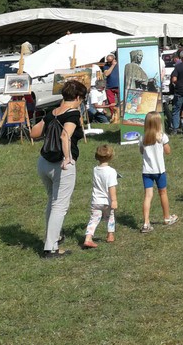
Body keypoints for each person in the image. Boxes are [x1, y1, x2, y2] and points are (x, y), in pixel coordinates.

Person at [31, 79, 88, 258]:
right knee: (60, 205)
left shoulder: (52, 112)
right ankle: (51, 247)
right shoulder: (71, 115)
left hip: (44, 162)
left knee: (52, 200)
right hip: (60, 165)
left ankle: (54, 236)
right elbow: (65, 136)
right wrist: (68, 159)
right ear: (78, 97)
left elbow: (34, 133)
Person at [139, 112, 177, 232]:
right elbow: (168, 151)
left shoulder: (142, 138)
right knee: (163, 193)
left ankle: (146, 223)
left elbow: (141, 151)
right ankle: (167, 218)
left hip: (147, 171)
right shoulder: (162, 137)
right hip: (159, 171)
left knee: (148, 196)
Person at [82, 143, 118, 249]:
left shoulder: (95, 169)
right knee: (110, 217)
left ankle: (88, 238)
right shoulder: (111, 172)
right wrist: (114, 200)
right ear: (111, 156)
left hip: (96, 201)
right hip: (107, 201)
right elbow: (111, 187)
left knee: (94, 219)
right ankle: (110, 235)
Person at [101, 53, 120, 123]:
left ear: (114, 59)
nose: (108, 62)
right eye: (107, 60)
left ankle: (120, 117)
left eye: (110, 61)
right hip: (109, 87)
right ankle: (113, 117)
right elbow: (106, 74)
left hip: (118, 86)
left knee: (121, 102)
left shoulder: (119, 64)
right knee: (111, 103)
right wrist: (112, 65)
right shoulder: (106, 65)